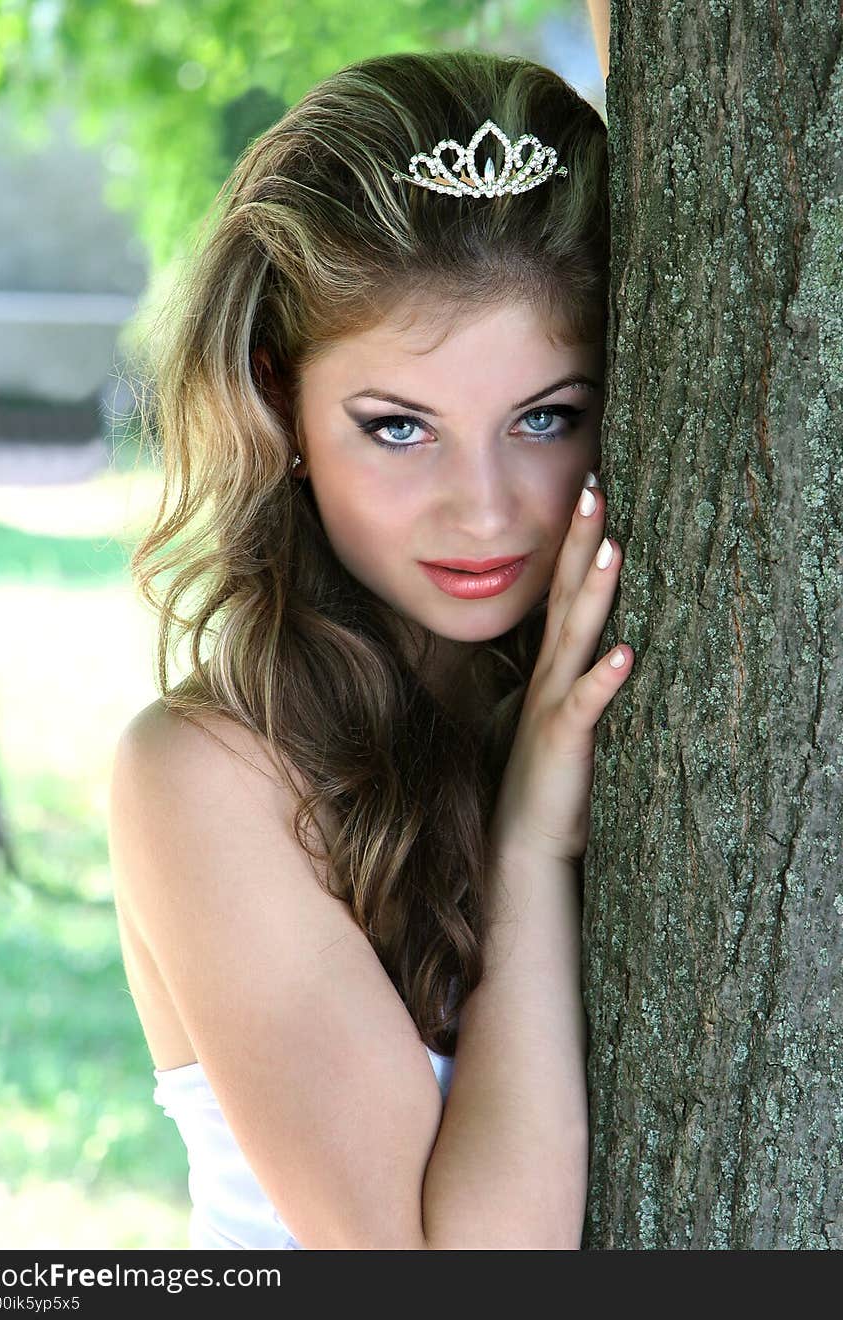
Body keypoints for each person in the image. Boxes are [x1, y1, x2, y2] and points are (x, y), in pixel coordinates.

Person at [109, 34, 629, 1251]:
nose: (486, 509)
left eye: (544, 417)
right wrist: (529, 848)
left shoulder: (610, 680)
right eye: (399, 429)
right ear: (277, 400)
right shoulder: (208, 781)